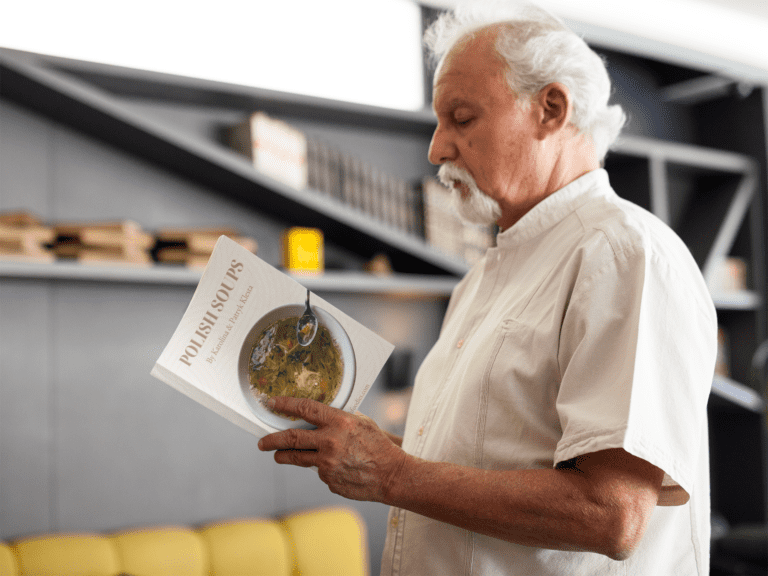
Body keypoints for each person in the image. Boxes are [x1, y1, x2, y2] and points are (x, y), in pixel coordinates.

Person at [258, 3, 717, 574]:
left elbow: (611, 514)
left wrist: (392, 473)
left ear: (550, 109)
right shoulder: (480, 280)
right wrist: (388, 452)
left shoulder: (623, 253)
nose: (436, 149)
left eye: (462, 117)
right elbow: (492, 460)